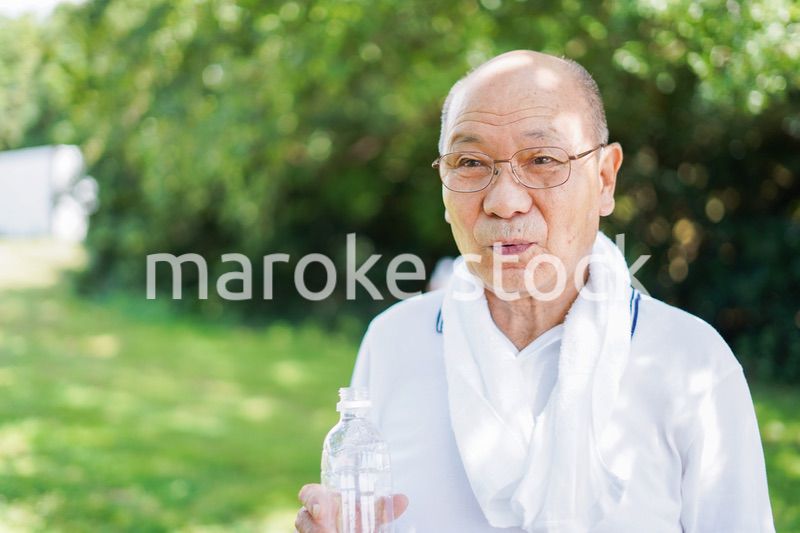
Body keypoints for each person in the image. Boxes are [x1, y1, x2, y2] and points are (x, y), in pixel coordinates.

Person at [294, 50, 775, 533]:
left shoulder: (690, 363)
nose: (504, 201)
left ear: (605, 178)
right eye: (469, 162)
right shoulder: (394, 342)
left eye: (543, 159)